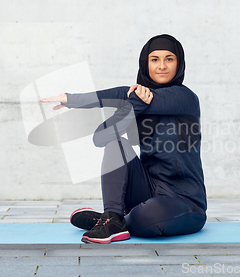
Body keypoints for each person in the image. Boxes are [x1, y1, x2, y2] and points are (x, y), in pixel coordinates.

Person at [40, 34, 207, 244]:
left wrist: (135, 102)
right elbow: (102, 136)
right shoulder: (140, 97)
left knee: (147, 217)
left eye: (169, 59)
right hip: (148, 189)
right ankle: (112, 218)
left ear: (179, 63)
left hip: (186, 203)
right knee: (116, 143)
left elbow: (126, 97)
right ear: (145, 64)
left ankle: (113, 219)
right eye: (154, 59)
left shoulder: (185, 98)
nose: (162, 66)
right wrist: (71, 99)